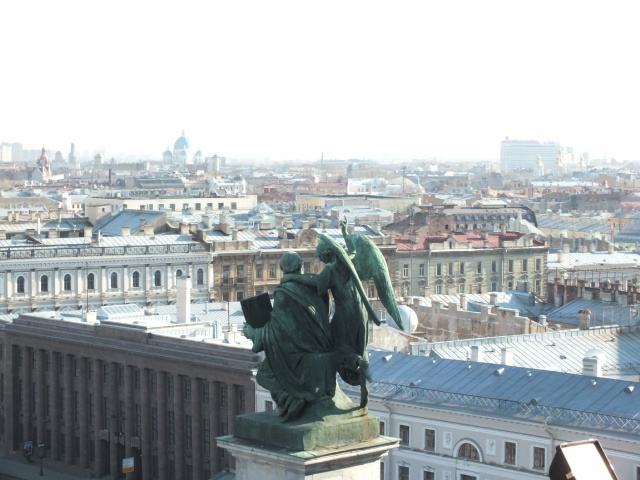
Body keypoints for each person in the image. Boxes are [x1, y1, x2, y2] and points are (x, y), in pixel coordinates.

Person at [282, 234, 374, 406]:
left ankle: (357, 364)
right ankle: (361, 368)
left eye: (321, 255)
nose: (320, 259)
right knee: (355, 344)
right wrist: (346, 235)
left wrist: (292, 277)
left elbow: (318, 283)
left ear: (328, 253)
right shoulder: (348, 263)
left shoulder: (331, 269)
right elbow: (353, 251)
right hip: (360, 312)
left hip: (345, 313)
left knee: (335, 346)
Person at [243, 252, 335, 421]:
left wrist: (254, 333)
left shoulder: (285, 293)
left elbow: (279, 331)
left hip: (300, 353)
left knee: (264, 373)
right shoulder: (315, 286)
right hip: (321, 346)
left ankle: (290, 399)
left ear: (281, 269)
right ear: (301, 267)